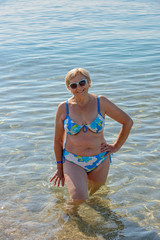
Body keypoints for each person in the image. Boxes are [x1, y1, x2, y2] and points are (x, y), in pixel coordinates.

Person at [50, 68, 133, 209]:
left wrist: (116, 146)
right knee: (79, 199)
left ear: (88, 83)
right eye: (73, 85)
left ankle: (93, 230)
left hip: (100, 160)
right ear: (69, 88)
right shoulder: (64, 108)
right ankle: (68, 223)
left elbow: (127, 122)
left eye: (82, 83)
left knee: (96, 199)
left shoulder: (101, 102)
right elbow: (58, 140)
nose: (79, 88)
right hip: (73, 160)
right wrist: (59, 168)